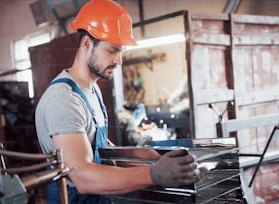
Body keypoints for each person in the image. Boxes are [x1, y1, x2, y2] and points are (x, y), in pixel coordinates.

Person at [35, 0, 200, 203]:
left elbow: (100, 146)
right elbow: (83, 177)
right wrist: (153, 174)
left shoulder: (92, 89)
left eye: (121, 51)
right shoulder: (64, 99)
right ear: (87, 44)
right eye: (112, 50)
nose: (119, 60)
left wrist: (150, 158)